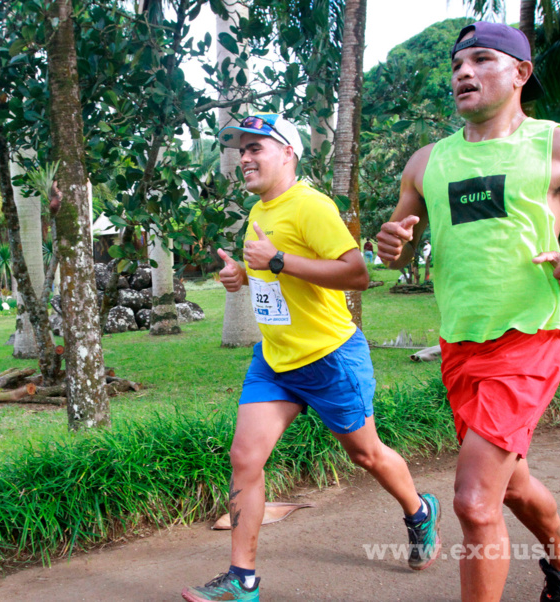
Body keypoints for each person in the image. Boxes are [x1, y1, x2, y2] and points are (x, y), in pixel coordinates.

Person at [376, 21, 560, 602]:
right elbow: (402, 240)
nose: (464, 72)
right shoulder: (426, 162)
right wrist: (394, 244)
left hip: (530, 334)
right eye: (459, 64)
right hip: (461, 341)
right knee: (511, 484)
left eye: (482, 59)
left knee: (472, 499)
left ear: (520, 73)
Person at [182, 114, 441, 602]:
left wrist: (277, 261)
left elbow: (357, 273)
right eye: (241, 150)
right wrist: (242, 275)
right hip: (275, 360)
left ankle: (419, 510)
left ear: (288, 153)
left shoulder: (311, 206)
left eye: (257, 147)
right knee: (245, 458)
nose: (246, 158)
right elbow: (275, 280)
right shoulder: (261, 212)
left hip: (329, 358)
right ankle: (243, 580)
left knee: (366, 454)